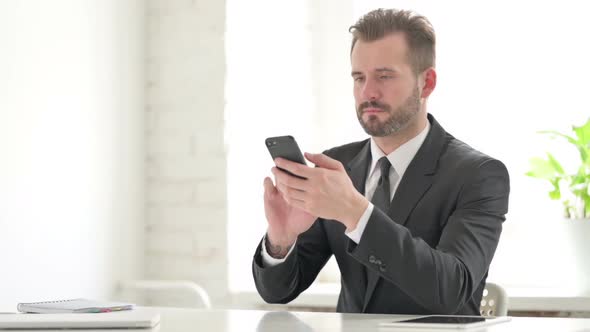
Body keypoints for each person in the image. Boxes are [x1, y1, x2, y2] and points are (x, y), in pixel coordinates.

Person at [252, 8, 510, 315]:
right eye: (359, 77)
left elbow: (451, 289)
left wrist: (356, 212)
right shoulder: (338, 167)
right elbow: (278, 291)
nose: (367, 92)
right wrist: (280, 240)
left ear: (426, 83)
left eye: (384, 76)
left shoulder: (478, 175)